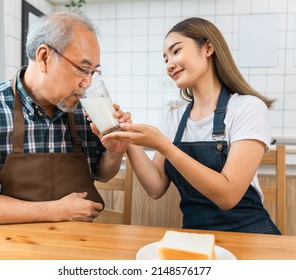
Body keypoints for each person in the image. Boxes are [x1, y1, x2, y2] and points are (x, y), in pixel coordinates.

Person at [0, 10, 130, 224]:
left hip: (78, 246)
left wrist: (115, 152)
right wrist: (57, 211)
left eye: (93, 72)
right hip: (8, 250)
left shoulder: (83, 110)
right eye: (83, 69)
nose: (87, 83)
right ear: (44, 57)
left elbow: (102, 173)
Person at [102, 17, 281, 235]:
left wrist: (164, 146)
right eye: (165, 58)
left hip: (250, 235)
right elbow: (156, 187)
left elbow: (228, 196)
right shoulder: (175, 119)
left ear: (208, 48)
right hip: (195, 238)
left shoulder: (247, 107)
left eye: (176, 51)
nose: (169, 64)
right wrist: (127, 137)